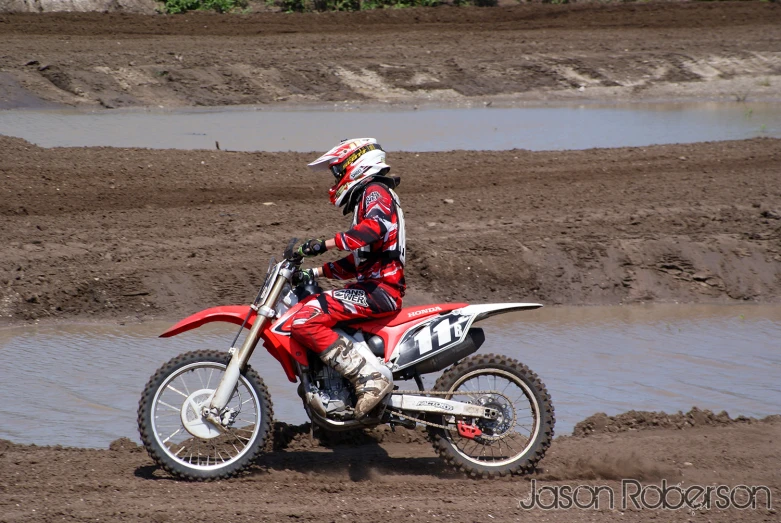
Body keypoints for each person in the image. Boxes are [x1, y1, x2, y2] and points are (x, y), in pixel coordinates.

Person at [290, 138, 406, 419]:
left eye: (338, 171)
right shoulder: (368, 197)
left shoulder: (375, 191)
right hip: (373, 286)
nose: (336, 178)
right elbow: (355, 263)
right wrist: (314, 272)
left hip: (380, 290)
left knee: (306, 319)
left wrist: (324, 244)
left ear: (356, 164)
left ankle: (369, 379)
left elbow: (374, 229)